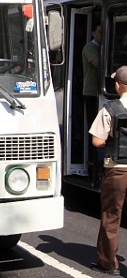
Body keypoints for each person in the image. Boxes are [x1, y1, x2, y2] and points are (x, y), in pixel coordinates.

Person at [89, 65, 127, 276]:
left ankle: (108, 263)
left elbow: (97, 141)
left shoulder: (110, 109)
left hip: (118, 170)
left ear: (118, 85)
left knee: (112, 216)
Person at [83, 25, 103, 127]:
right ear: (93, 34)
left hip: (101, 90)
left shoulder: (102, 47)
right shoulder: (89, 47)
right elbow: (96, 63)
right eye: (100, 32)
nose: (102, 35)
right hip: (91, 91)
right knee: (94, 124)